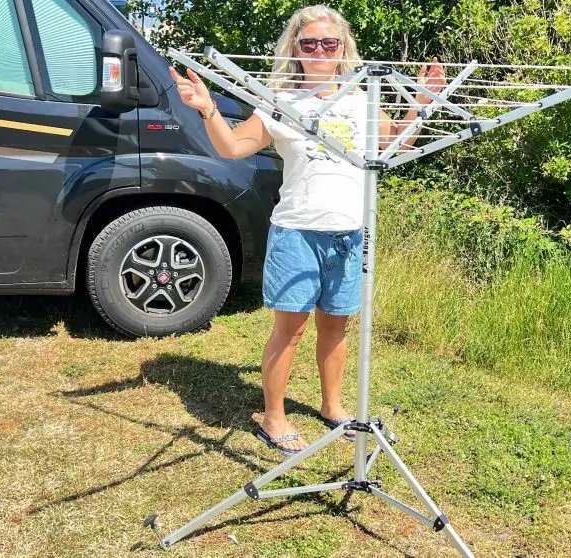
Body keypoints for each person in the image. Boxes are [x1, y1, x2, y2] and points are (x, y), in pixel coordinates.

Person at [170, 4, 445, 456]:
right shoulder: (281, 101)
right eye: (309, 43)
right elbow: (234, 146)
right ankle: (273, 417)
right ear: (295, 49)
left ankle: (333, 407)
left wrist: (420, 104)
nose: (319, 50)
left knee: (335, 327)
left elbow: (395, 142)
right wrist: (206, 110)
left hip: (349, 233)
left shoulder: (361, 97)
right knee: (291, 329)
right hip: (297, 231)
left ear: (342, 50)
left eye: (329, 43)